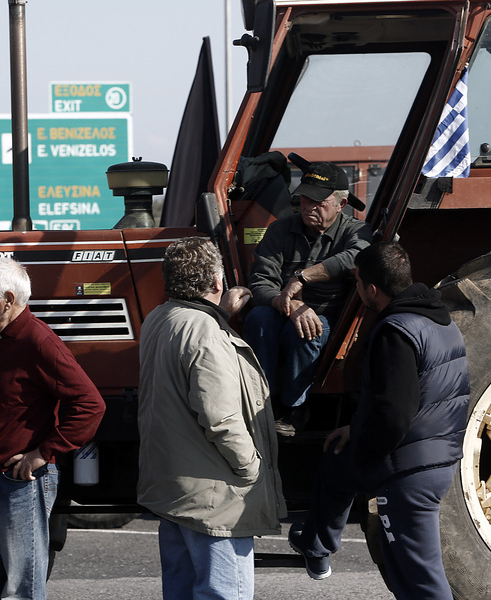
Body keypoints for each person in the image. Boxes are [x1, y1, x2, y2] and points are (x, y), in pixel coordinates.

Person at [288, 242, 469, 599]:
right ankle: (316, 547)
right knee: (337, 458)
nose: (357, 292)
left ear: (372, 289)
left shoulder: (395, 333)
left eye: (358, 285)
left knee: (419, 582)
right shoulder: (439, 320)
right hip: (436, 456)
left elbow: (394, 414)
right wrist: (356, 431)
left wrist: (369, 456)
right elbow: (427, 395)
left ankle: (317, 547)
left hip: (407, 472)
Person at [137, 237, 287, 600]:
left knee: (182, 591)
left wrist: (219, 314)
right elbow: (220, 418)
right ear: (218, 283)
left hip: (175, 489)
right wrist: (251, 469)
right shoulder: (208, 333)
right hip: (215, 501)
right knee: (224, 593)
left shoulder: (158, 318)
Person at [0, 257, 106, 600]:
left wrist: (43, 453)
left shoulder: (40, 342)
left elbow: (91, 405)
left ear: (7, 299)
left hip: (21, 484)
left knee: (22, 590)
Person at [244, 160, 373, 435]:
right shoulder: (280, 230)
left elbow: (355, 257)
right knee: (258, 318)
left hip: (327, 317)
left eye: (318, 201)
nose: (308, 206)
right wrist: (286, 302)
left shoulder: (357, 230)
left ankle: (294, 409)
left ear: (341, 203)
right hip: (284, 309)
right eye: (304, 199)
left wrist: (302, 277)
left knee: (303, 331)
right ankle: (261, 405)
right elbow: (260, 281)